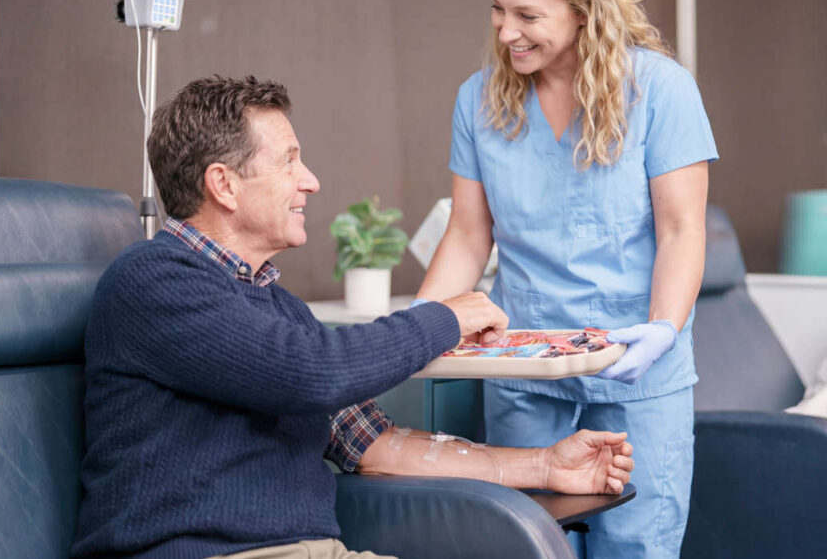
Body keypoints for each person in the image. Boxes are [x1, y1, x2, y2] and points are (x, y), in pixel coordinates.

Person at [70, 75, 634, 559]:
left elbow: (376, 443)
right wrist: (442, 317)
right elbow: (308, 373)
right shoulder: (153, 281)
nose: (310, 180)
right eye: (290, 161)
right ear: (224, 184)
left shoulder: (278, 308)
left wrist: (543, 466)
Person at [413, 0, 718, 559]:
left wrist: (664, 326)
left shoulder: (661, 91)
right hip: (525, 371)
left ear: (584, 8)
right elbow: (469, 237)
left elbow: (681, 228)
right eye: (498, 10)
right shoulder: (479, 100)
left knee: (636, 550)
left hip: (637, 371)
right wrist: (417, 325)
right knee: (522, 546)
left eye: (528, 16)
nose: (506, 32)